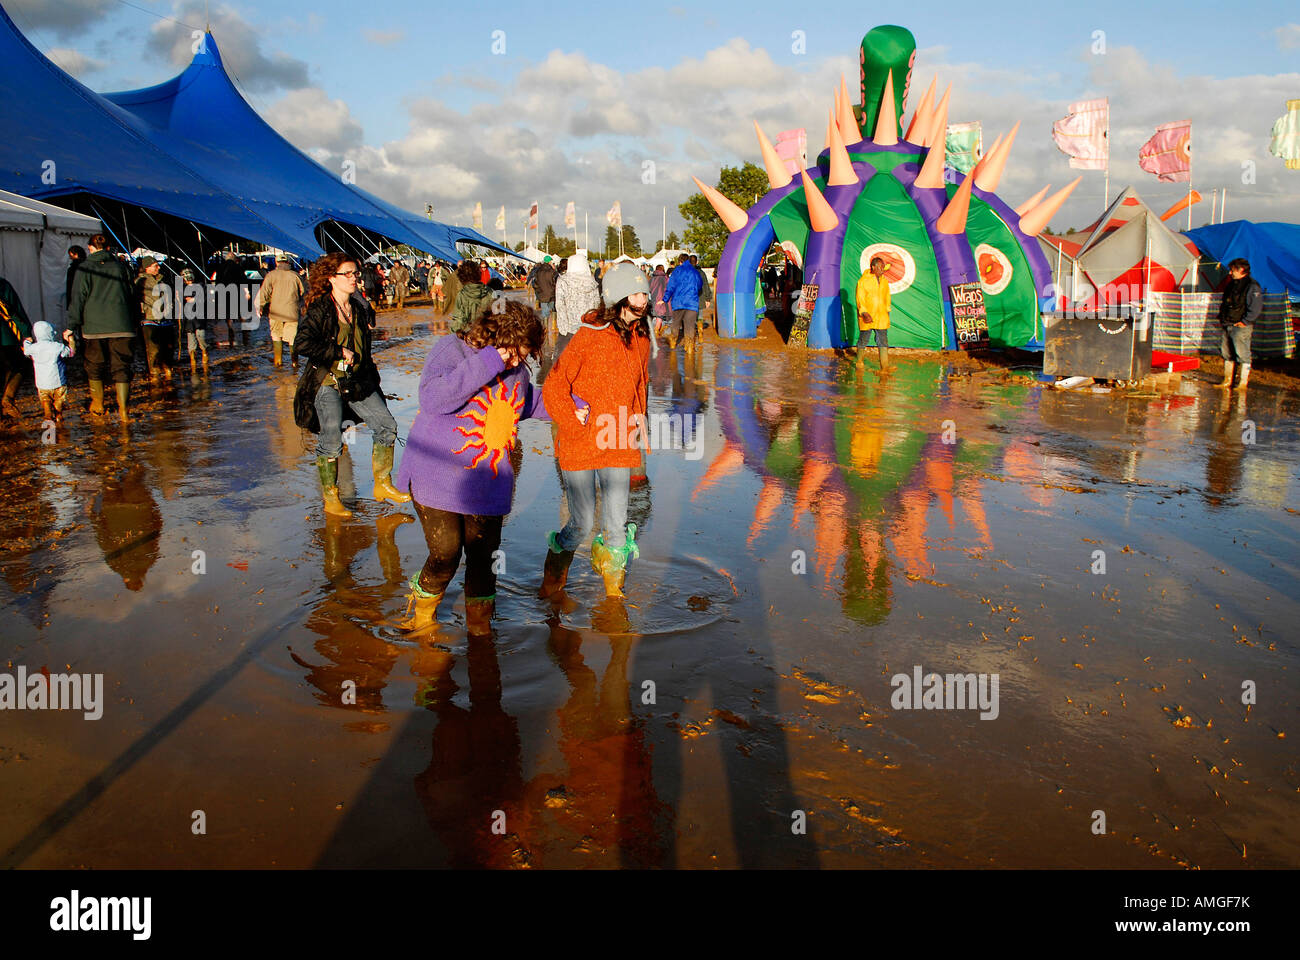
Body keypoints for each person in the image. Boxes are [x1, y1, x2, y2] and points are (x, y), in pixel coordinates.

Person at [394, 299, 549, 637]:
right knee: (446, 552)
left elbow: (526, 401)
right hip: (435, 474)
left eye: (523, 356)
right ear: (496, 334)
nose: (516, 361)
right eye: (512, 353)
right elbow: (434, 399)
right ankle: (422, 623)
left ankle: (480, 630)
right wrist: (492, 360)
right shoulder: (451, 350)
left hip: (486, 481)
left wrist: (570, 406)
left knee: (483, 558)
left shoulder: (516, 370)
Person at [540, 262, 651, 599]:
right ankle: (552, 580)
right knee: (582, 524)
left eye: (645, 292)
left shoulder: (643, 338)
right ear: (617, 296)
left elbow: (641, 385)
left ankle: (614, 599)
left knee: (617, 528)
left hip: (618, 438)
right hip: (580, 440)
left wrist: (639, 424)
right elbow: (553, 386)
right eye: (635, 293)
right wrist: (572, 420)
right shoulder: (589, 336)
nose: (642, 299)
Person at [294, 253, 410, 519]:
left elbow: (364, 348)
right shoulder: (321, 308)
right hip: (327, 382)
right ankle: (331, 498)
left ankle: (382, 484)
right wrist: (336, 351)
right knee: (332, 439)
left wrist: (373, 380)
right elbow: (301, 344)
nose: (355, 278)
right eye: (348, 274)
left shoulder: (357, 306)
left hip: (357, 380)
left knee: (386, 426)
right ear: (331, 278)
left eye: (356, 273)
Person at [68, 234, 137, 422]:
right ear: (108, 248)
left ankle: (98, 405)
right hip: (122, 324)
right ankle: (124, 410)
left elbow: (78, 298)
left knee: (94, 365)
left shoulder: (84, 268)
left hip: (93, 326)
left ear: (90, 248)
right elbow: (132, 295)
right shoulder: (122, 267)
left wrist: (70, 326)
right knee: (121, 366)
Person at [1217, 258, 1261, 390]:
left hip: (1241, 325)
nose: (1230, 272)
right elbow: (1225, 302)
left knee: (1242, 353)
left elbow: (1256, 307)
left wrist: (1246, 321)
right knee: (1226, 352)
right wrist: (1222, 318)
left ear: (1241, 270)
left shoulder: (1252, 286)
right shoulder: (1231, 284)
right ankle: (1227, 380)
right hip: (1227, 322)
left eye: (1232, 270)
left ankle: (1242, 383)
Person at [258, 254, 306, 368]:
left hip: (275, 313)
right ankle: (295, 363)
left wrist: (260, 306)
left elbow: (264, 293)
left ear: (277, 263)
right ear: (289, 263)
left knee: (276, 337)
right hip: (292, 313)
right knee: (292, 339)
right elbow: (303, 292)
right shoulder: (296, 276)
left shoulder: (271, 275)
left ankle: (278, 363)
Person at [22, 321, 74, 423]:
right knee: (59, 400)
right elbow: (70, 353)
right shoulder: (57, 346)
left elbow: (26, 350)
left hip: (42, 383)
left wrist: (27, 341)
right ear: (50, 333)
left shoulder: (34, 348)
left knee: (45, 400)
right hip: (58, 382)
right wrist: (71, 340)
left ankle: (48, 415)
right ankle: (59, 416)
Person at [554, 250, 600, 357]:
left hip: (570, 329)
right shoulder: (592, 283)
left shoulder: (563, 281)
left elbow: (560, 305)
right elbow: (596, 306)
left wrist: (563, 329)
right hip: (589, 328)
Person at [136, 257, 175, 382]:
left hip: (165, 319)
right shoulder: (140, 281)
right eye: (155, 265)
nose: (158, 267)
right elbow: (135, 300)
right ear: (147, 267)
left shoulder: (163, 279)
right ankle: (154, 373)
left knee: (168, 347)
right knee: (153, 349)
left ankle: (168, 370)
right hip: (149, 319)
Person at [0, 275, 34, 419]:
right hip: (5, 338)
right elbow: (15, 311)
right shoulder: (2, 285)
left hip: (5, 338)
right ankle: (8, 398)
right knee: (21, 366)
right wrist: (26, 333)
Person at [855, 256, 892, 371]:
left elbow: (887, 298)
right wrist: (864, 312)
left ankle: (884, 366)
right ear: (873, 267)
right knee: (864, 339)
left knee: (883, 340)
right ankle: (859, 361)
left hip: (881, 317)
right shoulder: (863, 281)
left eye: (883, 267)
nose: (883, 269)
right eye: (881, 267)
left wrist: (887, 311)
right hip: (868, 316)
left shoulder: (884, 281)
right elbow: (860, 299)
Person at [664, 253, 703, 351]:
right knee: (690, 327)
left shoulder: (676, 271)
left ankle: (672, 346)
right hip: (692, 303)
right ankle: (689, 350)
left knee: (675, 325)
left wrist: (665, 299)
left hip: (678, 303)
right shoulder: (695, 271)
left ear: (680, 261)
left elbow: (671, 286)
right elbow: (699, 285)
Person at [178, 267, 209, 373]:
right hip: (188, 319)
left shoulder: (201, 286)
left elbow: (205, 297)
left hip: (199, 317)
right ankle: (193, 360)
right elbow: (179, 301)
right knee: (191, 341)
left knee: (201, 337)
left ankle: (204, 352)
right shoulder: (181, 288)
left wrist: (194, 299)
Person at [450, 260, 492, 335]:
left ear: (461, 277)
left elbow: (458, 321)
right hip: (487, 336)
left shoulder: (461, 295)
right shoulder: (491, 292)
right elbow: (499, 318)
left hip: (469, 337)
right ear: (479, 274)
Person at [530, 255, 558, 335]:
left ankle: (545, 328)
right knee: (553, 309)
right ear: (549, 262)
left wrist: (539, 291)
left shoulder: (538, 272)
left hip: (542, 295)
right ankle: (554, 326)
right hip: (552, 294)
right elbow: (556, 282)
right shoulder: (552, 271)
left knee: (544, 312)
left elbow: (535, 284)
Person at [65, 246, 86, 313]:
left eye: (70, 254)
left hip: (76, 298)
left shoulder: (73, 268)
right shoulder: (88, 266)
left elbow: (70, 286)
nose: (70, 257)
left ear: (76, 254)